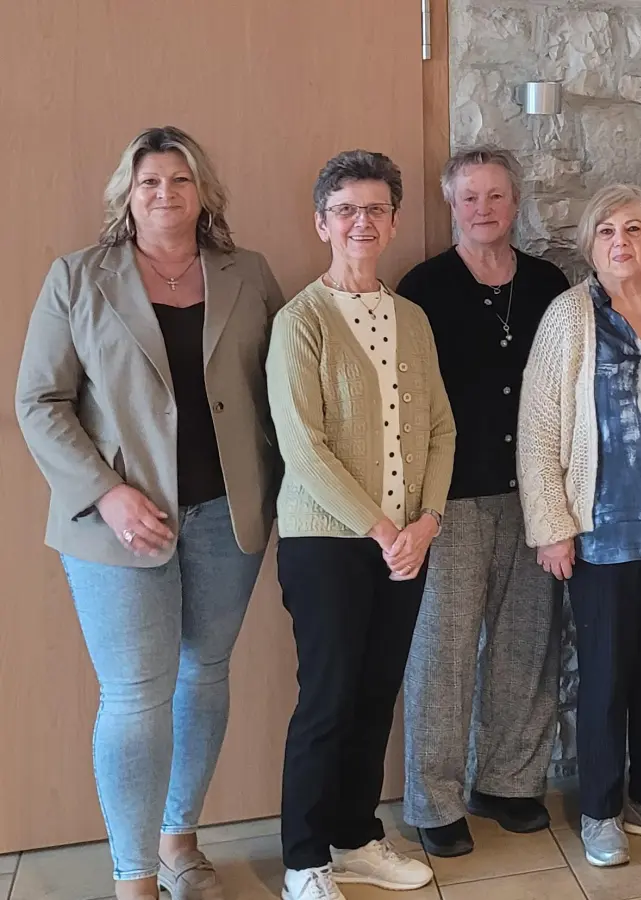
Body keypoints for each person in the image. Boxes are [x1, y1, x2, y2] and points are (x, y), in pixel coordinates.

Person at [14, 126, 283, 900]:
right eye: (149, 182)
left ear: (205, 194)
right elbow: (39, 402)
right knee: (136, 697)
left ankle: (179, 843)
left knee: (205, 677)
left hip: (227, 520)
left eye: (180, 180)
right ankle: (134, 880)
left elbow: (283, 387)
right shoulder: (78, 277)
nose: (165, 193)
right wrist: (106, 491)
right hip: (115, 527)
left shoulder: (248, 272)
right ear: (126, 197)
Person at [268, 150, 455, 900]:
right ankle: (304, 859)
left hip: (409, 543)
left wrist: (428, 522)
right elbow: (304, 448)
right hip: (328, 544)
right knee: (329, 696)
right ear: (322, 223)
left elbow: (440, 426)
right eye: (346, 209)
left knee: (378, 692)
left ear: (394, 221)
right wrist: (384, 529)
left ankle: (355, 836)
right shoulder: (300, 321)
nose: (361, 222)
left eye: (375, 209)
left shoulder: (410, 318)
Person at [517, 184, 641, 868]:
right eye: (606, 231)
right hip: (602, 534)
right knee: (604, 676)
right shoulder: (569, 315)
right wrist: (552, 526)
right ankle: (601, 809)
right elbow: (540, 430)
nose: (621, 242)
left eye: (634, 229)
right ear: (591, 245)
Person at [396, 146, 570, 858]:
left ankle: (507, 781)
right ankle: (432, 799)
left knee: (528, 644)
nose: (484, 209)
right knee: (442, 649)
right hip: (451, 496)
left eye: (496, 195)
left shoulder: (549, 284)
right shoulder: (424, 286)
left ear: (516, 200)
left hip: (534, 492)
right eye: (469, 197)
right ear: (450, 203)